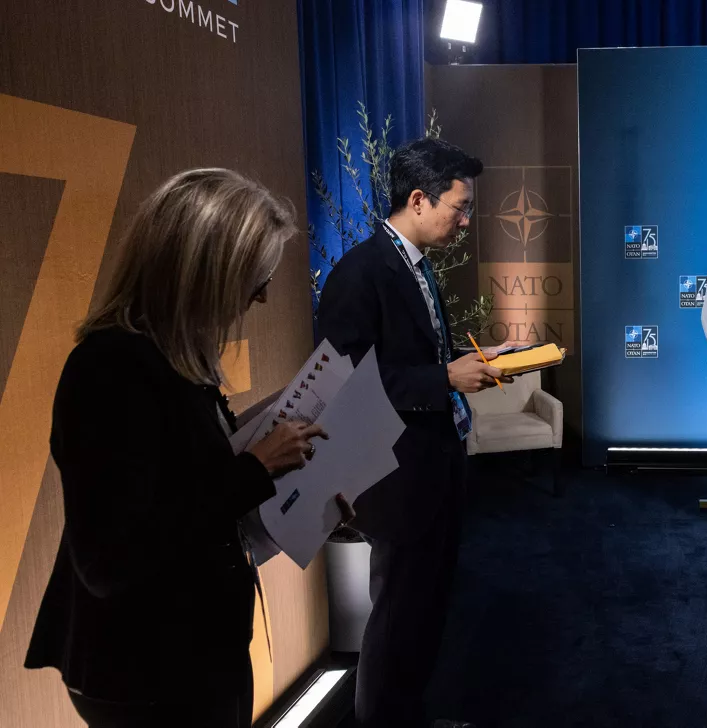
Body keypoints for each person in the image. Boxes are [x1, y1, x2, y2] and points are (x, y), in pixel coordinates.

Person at [24, 168, 335, 727]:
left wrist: (307, 497)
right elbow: (110, 560)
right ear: (201, 272)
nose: (262, 296)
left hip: (194, 654)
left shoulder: (174, 360)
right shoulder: (108, 369)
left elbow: (192, 493)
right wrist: (253, 469)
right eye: (252, 278)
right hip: (144, 672)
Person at [317, 137, 511, 726]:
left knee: (424, 612)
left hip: (433, 469)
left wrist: (480, 358)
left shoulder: (414, 265)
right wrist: (442, 377)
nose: (465, 220)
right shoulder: (360, 272)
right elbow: (343, 381)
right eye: (460, 206)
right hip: (395, 479)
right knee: (397, 618)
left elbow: (414, 355)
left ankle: (410, 715)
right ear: (420, 199)